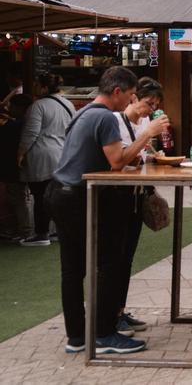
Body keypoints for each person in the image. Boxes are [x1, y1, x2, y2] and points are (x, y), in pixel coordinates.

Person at [49, 67, 160, 355]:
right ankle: (105, 334)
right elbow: (118, 161)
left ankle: (77, 337)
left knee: (72, 270)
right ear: (117, 92)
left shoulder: (84, 112)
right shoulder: (106, 117)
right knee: (109, 263)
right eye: (131, 95)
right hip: (79, 197)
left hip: (61, 192)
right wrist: (147, 134)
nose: (132, 102)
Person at [111, 77, 169, 338]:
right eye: (148, 103)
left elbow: (142, 154)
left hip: (136, 194)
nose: (150, 109)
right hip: (116, 196)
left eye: (154, 105)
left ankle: (119, 310)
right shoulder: (115, 122)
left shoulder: (143, 122)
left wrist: (155, 153)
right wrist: (147, 137)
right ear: (132, 97)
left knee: (127, 257)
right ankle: (110, 316)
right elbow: (120, 160)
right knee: (115, 259)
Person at [15, 73, 74, 246]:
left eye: (36, 84)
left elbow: (31, 133)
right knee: (55, 195)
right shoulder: (68, 103)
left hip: (42, 155)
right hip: (62, 154)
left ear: (44, 87)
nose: (33, 87)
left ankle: (41, 233)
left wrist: (20, 152)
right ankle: (56, 231)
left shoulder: (38, 106)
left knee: (40, 195)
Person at [1, 94, 33, 243]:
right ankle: (27, 230)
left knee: (19, 199)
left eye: (12, 106)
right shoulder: (26, 123)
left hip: (14, 167)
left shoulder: (15, 126)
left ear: (20, 108)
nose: (9, 109)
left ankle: (25, 231)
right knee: (24, 198)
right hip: (23, 166)